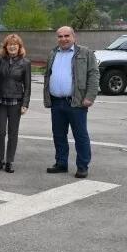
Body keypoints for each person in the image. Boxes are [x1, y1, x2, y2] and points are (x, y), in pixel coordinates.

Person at [43, 26, 99, 178]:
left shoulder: (85, 53)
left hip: (76, 102)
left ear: (74, 36)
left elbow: (94, 75)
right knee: (58, 135)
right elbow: (48, 75)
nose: (63, 39)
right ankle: (61, 163)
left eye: (67, 35)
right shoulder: (53, 53)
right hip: (56, 102)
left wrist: (90, 97)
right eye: (60, 36)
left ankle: (82, 166)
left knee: (80, 135)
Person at [0, 34, 31, 173]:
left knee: (13, 133)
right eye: (9, 44)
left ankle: (9, 161)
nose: (12, 46)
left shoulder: (25, 63)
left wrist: (25, 104)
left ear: (19, 47)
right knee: (0, 132)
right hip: (0, 102)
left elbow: (27, 86)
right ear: (5, 47)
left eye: (15, 44)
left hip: (16, 102)